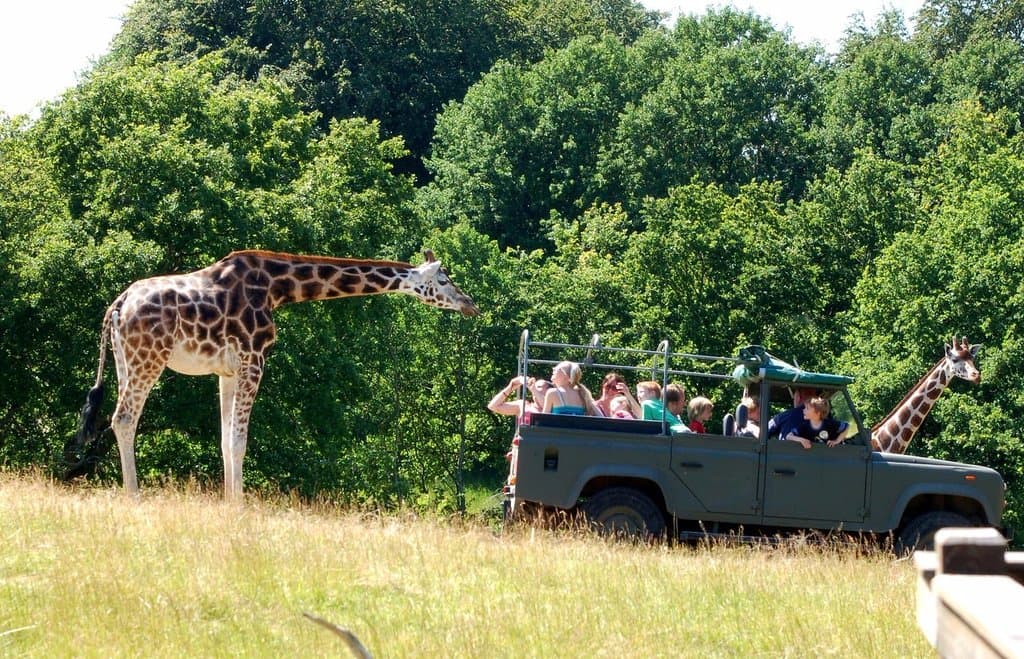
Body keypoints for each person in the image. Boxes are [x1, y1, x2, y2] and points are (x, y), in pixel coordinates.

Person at [785, 396, 849, 449]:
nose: (803, 410)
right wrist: (801, 440)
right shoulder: (804, 426)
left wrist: (837, 441)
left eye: (807, 408)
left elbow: (846, 427)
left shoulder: (829, 424)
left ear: (817, 413)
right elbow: (788, 436)